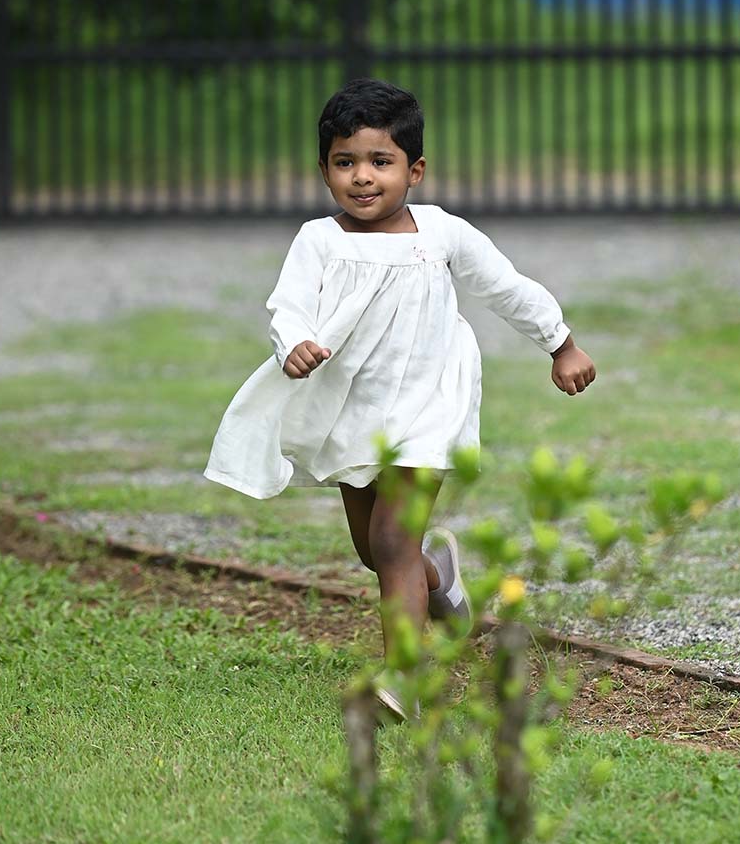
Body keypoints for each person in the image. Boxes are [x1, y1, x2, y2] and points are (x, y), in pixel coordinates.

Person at [205, 78, 595, 721]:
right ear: (324, 169)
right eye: (345, 162)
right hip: (353, 409)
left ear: (414, 170)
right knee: (376, 550)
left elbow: (505, 287)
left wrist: (561, 343)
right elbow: (289, 305)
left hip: (430, 402)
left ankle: (406, 679)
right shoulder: (319, 240)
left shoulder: (441, 234)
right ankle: (437, 575)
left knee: (391, 539)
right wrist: (295, 342)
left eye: (380, 161)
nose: (362, 177)